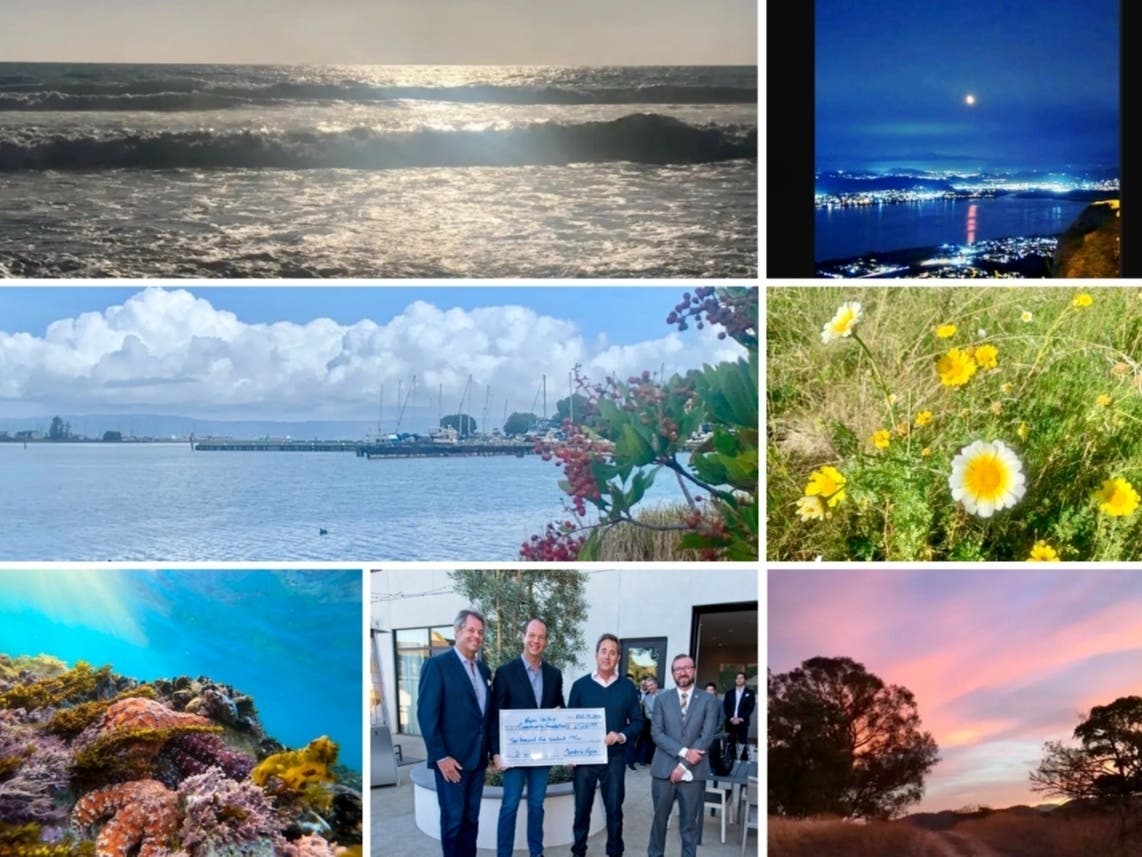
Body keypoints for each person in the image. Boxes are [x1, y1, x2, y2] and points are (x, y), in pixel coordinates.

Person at [417, 609, 492, 857]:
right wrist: (440, 757)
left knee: (472, 819)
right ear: (457, 631)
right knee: (453, 822)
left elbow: (483, 716)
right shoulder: (437, 666)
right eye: (471, 630)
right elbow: (427, 715)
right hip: (452, 763)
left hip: (477, 760)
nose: (476, 636)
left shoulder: (482, 669)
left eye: (480, 632)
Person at [488, 618, 565, 857]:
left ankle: (536, 852)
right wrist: (496, 752)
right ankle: (504, 854)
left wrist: (560, 714)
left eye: (541, 637)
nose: (536, 641)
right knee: (509, 805)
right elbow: (495, 716)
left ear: (546, 641)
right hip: (513, 754)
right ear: (523, 637)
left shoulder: (554, 674)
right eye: (532, 635)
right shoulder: (505, 672)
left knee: (536, 806)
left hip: (542, 755)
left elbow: (559, 707)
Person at [567, 633, 643, 857]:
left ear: (618, 657)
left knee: (614, 812)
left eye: (612, 652)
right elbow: (570, 724)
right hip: (584, 760)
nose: (607, 656)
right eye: (604, 651)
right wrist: (569, 752)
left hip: (615, 759)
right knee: (581, 812)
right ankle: (578, 852)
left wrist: (621, 735)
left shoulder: (627, 687)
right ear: (596, 654)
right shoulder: (580, 686)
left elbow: (638, 722)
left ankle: (614, 852)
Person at [647, 654, 720, 857]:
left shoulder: (708, 700)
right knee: (659, 823)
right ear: (672, 673)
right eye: (678, 668)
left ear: (694, 670)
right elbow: (657, 734)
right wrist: (684, 752)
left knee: (689, 826)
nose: (683, 672)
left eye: (687, 667)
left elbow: (706, 736)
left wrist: (683, 765)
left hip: (693, 773)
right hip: (663, 772)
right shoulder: (661, 699)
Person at [723, 670, 756, 761]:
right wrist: (732, 718)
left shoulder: (750, 693)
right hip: (731, 721)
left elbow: (750, 708)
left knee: (743, 742)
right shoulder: (729, 693)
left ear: (745, 680)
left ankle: (743, 761)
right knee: (730, 742)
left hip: (743, 722)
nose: (739, 680)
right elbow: (726, 707)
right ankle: (730, 760)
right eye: (737, 678)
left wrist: (741, 718)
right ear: (735, 680)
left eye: (741, 678)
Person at [635, 678, 658, 766]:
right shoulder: (647, 698)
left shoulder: (666, 693)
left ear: (656, 684)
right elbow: (647, 713)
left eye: (651, 685)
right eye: (648, 686)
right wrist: (657, 719)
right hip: (652, 723)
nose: (650, 687)